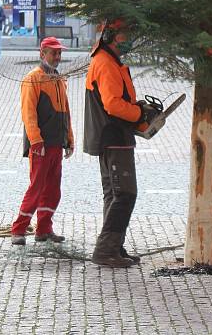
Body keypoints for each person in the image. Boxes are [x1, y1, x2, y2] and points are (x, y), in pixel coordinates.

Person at [84, 19, 159, 267]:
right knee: (125, 194)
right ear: (113, 36)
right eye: (125, 34)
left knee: (114, 195)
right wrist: (139, 114)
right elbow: (113, 104)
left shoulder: (110, 61)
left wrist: (137, 111)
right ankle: (106, 250)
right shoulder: (105, 63)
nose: (129, 39)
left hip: (114, 135)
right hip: (113, 136)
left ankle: (113, 245)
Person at [10, 37, 75, 245]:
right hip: (41, 145)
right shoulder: (33, 78)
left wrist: (69, 139)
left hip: (56, 143)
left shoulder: (59, 78)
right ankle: (18, 229)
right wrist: (36, 141)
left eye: (59, 53)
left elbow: (65, 112)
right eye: (53, 53)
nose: (57, 57)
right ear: (42, 53)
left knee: (53, 189)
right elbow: (28, 113)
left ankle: (44, 229)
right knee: (36, 188)